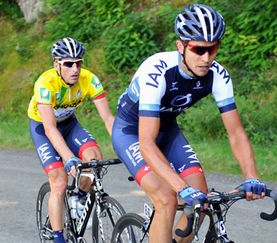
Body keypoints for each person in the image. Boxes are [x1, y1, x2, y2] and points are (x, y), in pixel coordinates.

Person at [112, 4, 267, 243]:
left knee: (202, 199)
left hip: (168, 129)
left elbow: (235, 133)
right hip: (132, 132)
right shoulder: (157, 71)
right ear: (180, 46)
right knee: (167, 198)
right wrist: (180, 187)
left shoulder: (218, 75)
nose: (206, 58)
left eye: (213, 49)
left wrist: (252, 176)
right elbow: (146, 143)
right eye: (198, 49)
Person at [28, 37, 114, 242]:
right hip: (43, 127)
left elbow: (109, 118)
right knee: (59, 181)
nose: (75, 69)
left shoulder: (89, 79)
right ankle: (58, 237)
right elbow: (49, 128)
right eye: (68, 64)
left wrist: (130, 148)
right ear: (56, 64)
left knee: (94, 161)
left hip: (69, 124)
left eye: (79, 63)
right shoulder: (45, 84)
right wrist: (68, 157)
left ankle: (79, 198)